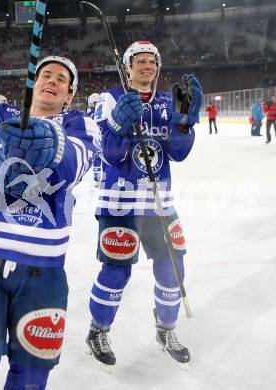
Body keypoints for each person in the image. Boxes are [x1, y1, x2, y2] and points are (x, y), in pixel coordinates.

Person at [0, 56, 100, 390]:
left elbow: (73, 165)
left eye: (61, 79)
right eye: (45, 75)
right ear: (31, 85)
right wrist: (0, 164)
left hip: (42, 270)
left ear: (69, 96)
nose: (52, 81)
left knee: (31, 378)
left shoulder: (79, 125)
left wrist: (50, 143)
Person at [85, 41, 203, 367]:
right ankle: (98, 330)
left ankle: (166, 328)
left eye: (152, 61)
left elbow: (178, 153)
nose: (147, 65)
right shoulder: (110, 99)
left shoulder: (167, 101)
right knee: (116, 270)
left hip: (159, 201)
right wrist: (119, 125)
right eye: (140, 60)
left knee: (173, 269)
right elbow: (108, 154)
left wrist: (184, 124)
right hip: (120, 202)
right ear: (127, 66)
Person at [86, 93, 102, 187]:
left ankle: (97, 180)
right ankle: (99, 179)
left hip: (95, 138)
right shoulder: (102, 111)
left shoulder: (88, 113)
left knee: (97, 160)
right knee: (99, 159)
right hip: (101, 137)